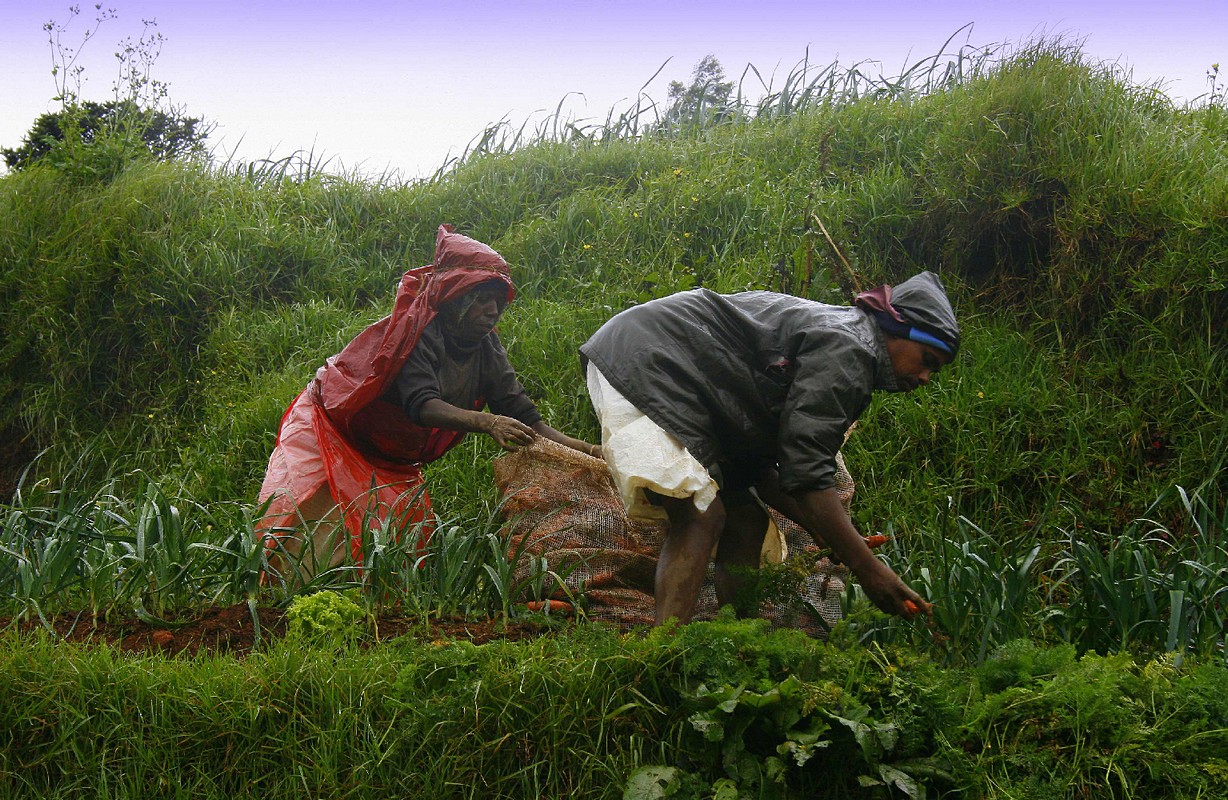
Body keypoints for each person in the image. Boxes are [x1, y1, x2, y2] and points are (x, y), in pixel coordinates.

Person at [579, 271, 959, 624]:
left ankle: (739, 636)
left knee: (747, 522)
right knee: (700, 514)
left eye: (935, 371)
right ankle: (663, 657)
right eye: (926, 360)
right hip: (651, 360)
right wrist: (870, 570)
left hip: (697, 387)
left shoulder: (845, 341)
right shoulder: (850, 351)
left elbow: (765, 471)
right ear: (895, 330)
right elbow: (808, 473)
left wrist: (833, 535)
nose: (925, 377)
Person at [258, 224, 599, 584]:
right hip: (334, 431)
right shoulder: (416, 335)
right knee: (317, 527)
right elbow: (422, 405)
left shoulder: (487, 349)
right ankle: (285, 597)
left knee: (390, 548)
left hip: (390, 456)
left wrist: (590, 450)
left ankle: (355, 601)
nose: (493, 309)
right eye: (482, 298)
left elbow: (527, 419)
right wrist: (488, 422)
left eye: (499, 301)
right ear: (456, 299)